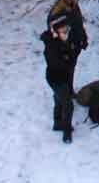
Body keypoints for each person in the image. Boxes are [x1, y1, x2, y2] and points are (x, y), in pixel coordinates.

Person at [41, 15, 80, 144]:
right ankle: (66, 132)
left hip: (64, 76)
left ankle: (57, 123)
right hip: (56, 78)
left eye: (67, 30)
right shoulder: (51, 46)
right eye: (64, 31)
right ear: (56, 32)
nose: (66, 33)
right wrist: (68, 57)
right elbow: (59, 63)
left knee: (59, 99)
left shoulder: (63, 41)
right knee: (68, 104)